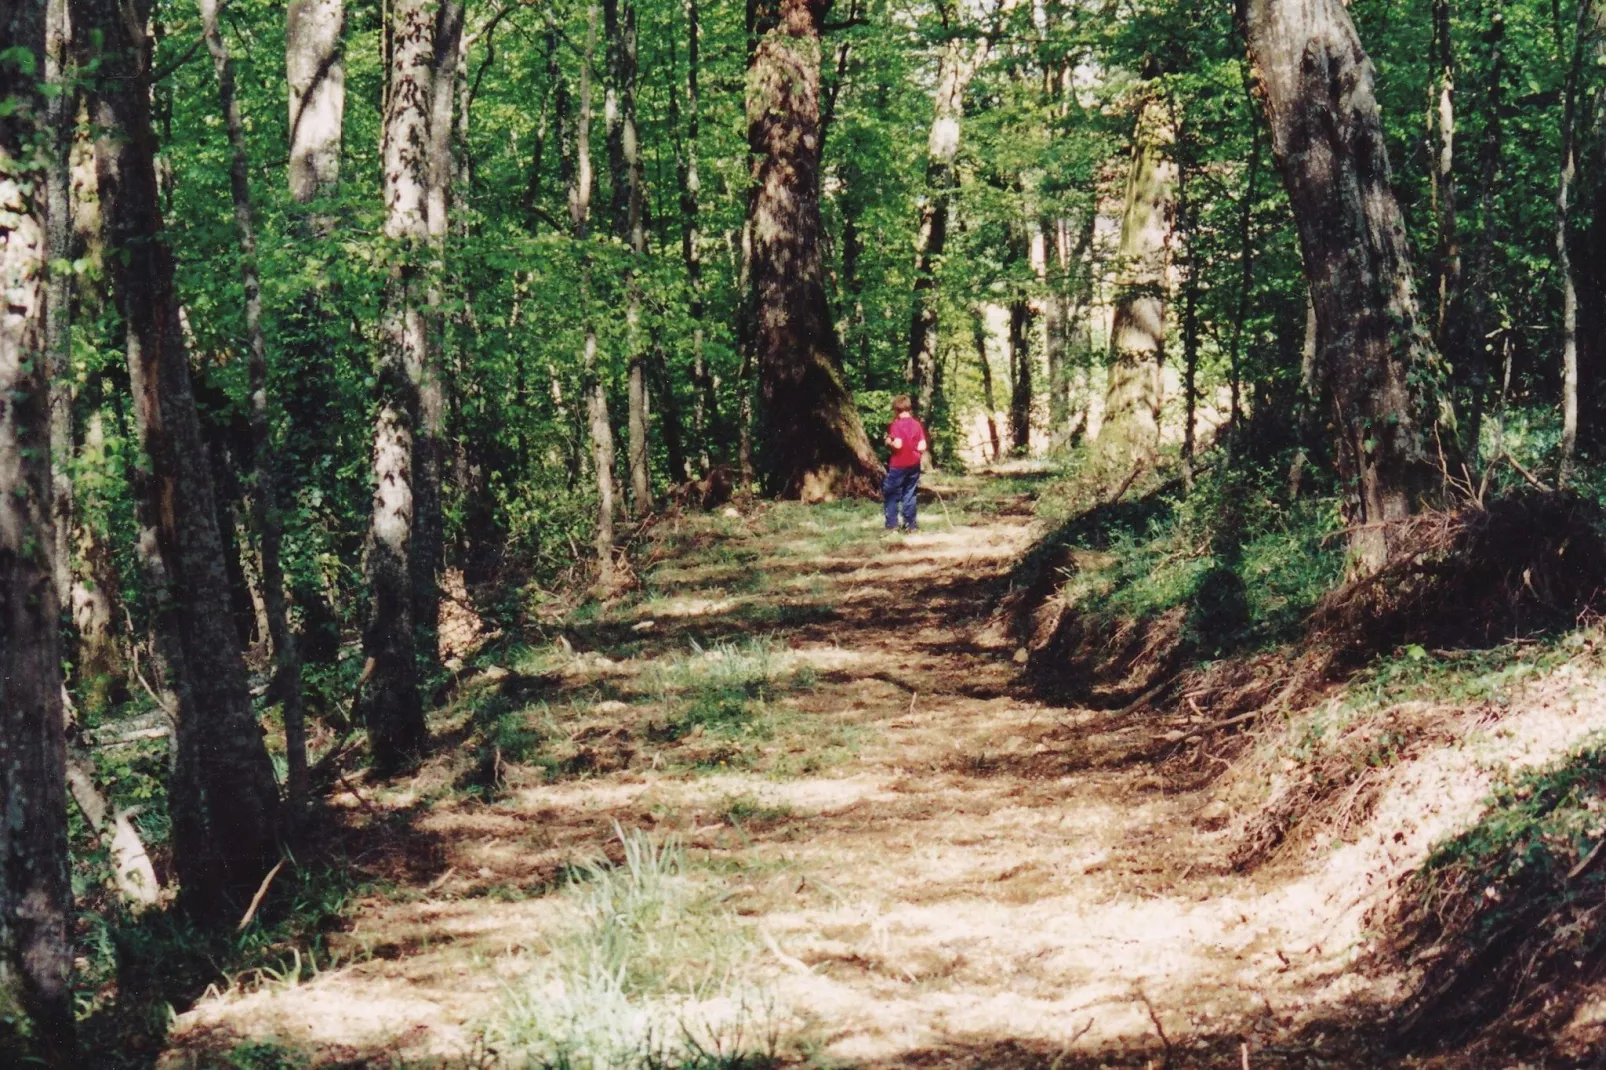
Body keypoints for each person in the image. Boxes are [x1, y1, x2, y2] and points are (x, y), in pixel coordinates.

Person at [882, 395, 927, 533]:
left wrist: (888, 441)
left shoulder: (895, 425)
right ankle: (911, 525)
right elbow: (922, 445)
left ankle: (892, 525)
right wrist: (916, 455)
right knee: (910, 493)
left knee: (891, 493)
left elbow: (898, 444)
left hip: (898, 464)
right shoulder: (916, 424)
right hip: (914, 464)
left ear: (896, 409)